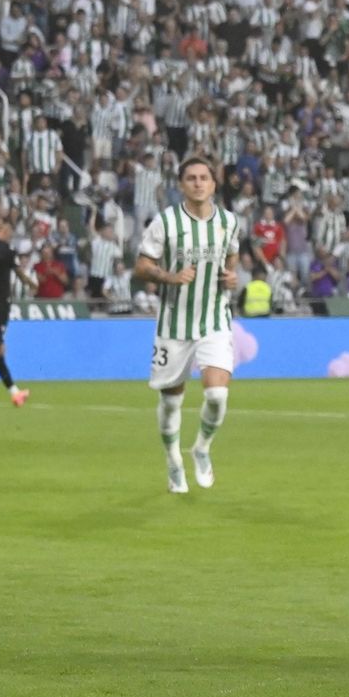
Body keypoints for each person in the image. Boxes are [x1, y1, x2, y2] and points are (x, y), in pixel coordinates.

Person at [133, 157, 242, 494]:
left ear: (213, 183)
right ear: (181, 184)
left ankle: (202, 449)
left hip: (214, 320)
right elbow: (141, 267)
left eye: (204, 178)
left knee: (217, 394)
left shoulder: (228, 221)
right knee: (171, 403)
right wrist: (171, 277)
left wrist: (231, 276)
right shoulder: (166, 222)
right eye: (191, 178)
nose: (198, 183)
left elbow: (232, 255)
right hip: (173, 325)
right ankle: (173, 461)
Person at [0, 219, 37, 409]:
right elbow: (19, 273)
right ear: (2, 231)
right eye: (9, 232)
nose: (10, 235)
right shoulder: (6, 251)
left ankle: (15, 393)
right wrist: (31, 283)